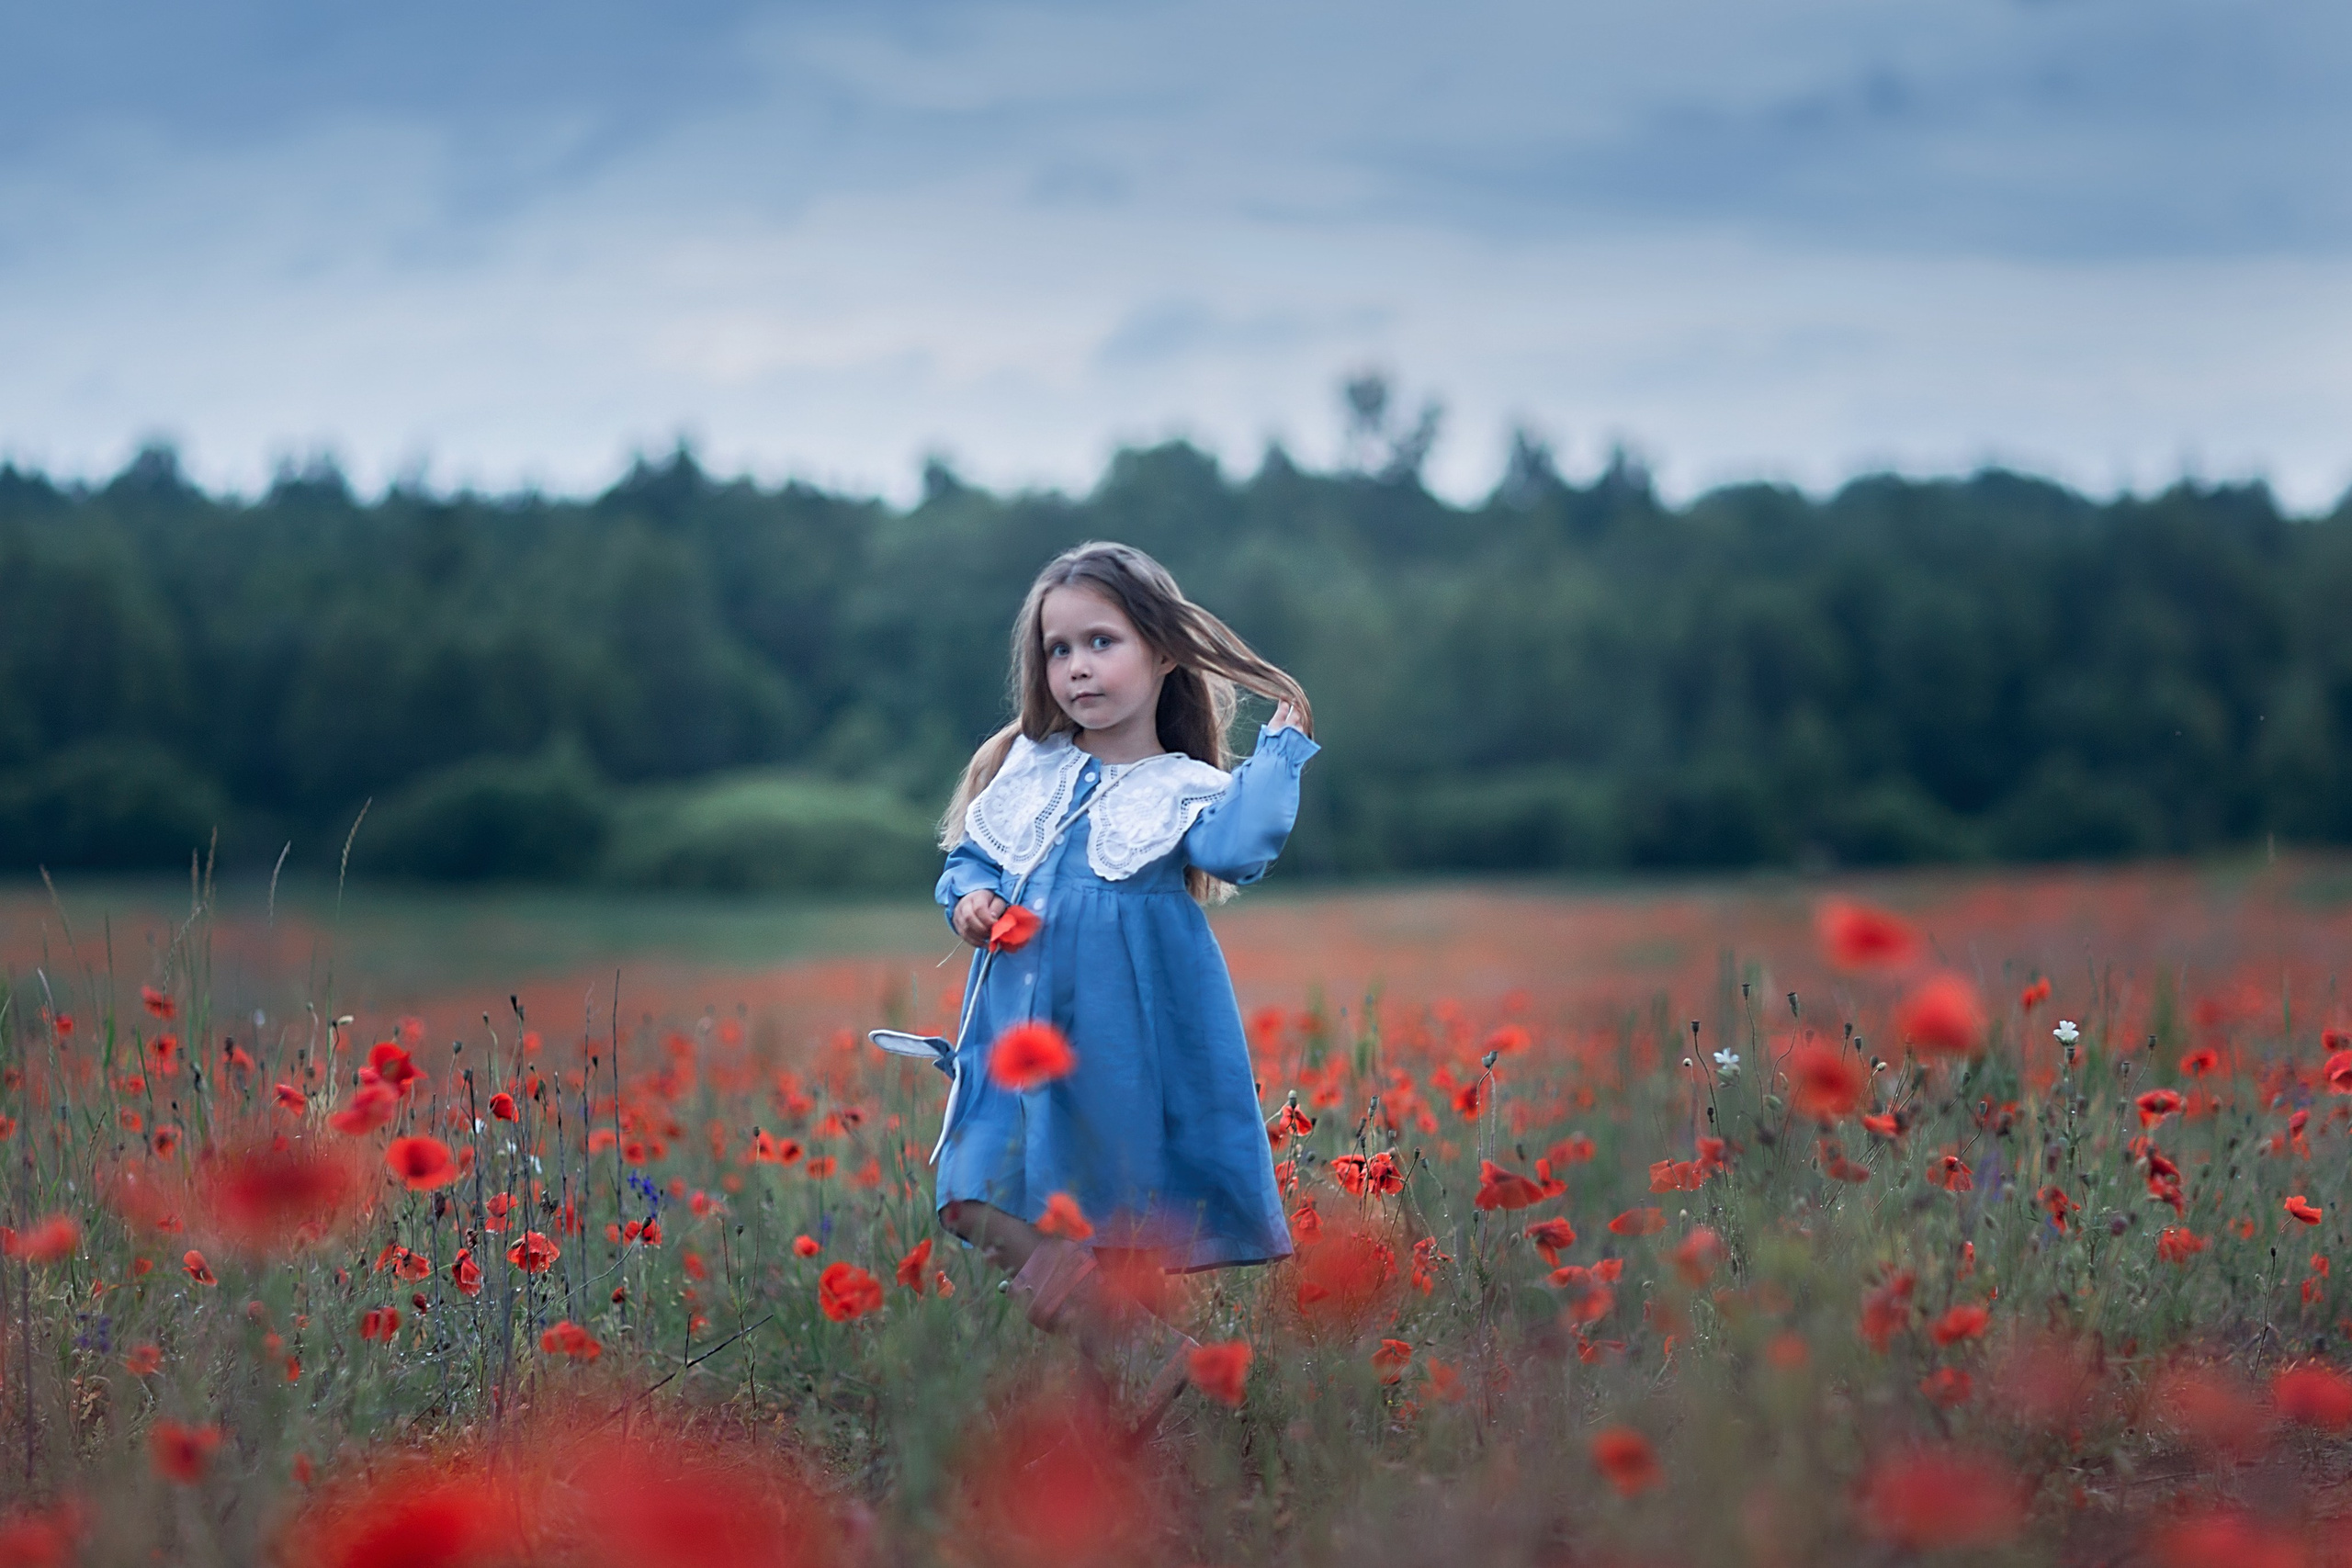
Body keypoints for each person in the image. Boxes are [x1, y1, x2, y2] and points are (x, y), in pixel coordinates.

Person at [930, 539, 1318, 1418]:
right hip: (1021, 1037)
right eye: (1058, 649)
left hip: (1120, 1043)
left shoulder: (1184, 787)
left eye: (1101, 642)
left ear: (1164, 649)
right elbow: (972, 861)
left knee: (1101, 1229)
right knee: (970, 1190)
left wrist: (1281, 752)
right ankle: (1150, 1359)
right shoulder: (1029, 768)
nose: (1076, 668)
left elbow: (1236, 849)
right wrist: (971, 903)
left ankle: (1124, 1433)